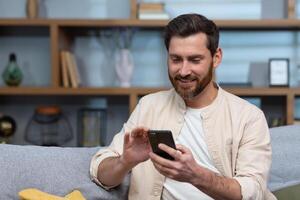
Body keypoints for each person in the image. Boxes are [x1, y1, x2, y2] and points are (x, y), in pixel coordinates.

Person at [90, 13, 276, 200]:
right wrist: (124, 162)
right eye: (176, 59)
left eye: (195, 60)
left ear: (216, 58)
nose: (184, 71)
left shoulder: (249, 116)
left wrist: (195, 175)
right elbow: (101, 173)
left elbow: (253, 191)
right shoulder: (149, 106)